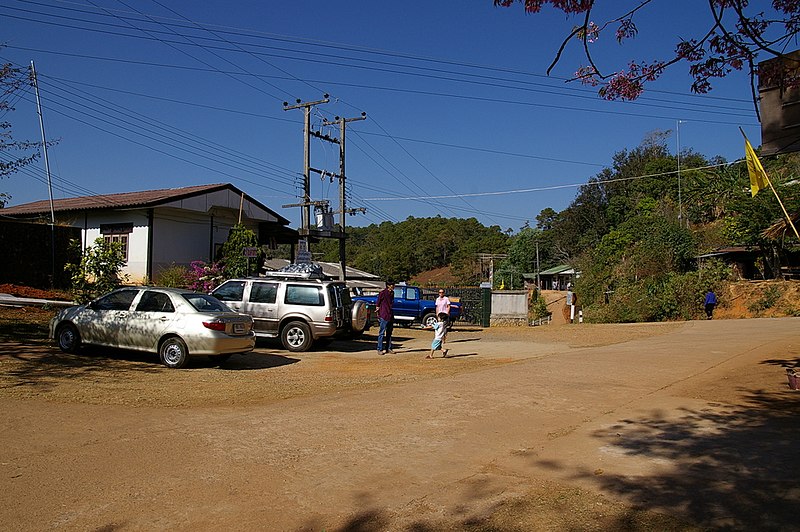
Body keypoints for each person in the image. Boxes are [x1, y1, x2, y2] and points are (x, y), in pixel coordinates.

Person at [376, 280, 395, 355]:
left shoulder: (392, 293)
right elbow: (378, 303)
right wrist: (378, 312)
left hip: (390, 314)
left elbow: (391, 303)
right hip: (384, 314)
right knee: (381, 333)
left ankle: (388, 348)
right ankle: (379, 348)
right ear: (388, 285)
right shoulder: (382, 293)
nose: (393, 286)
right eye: (392, 285)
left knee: (389, 333)